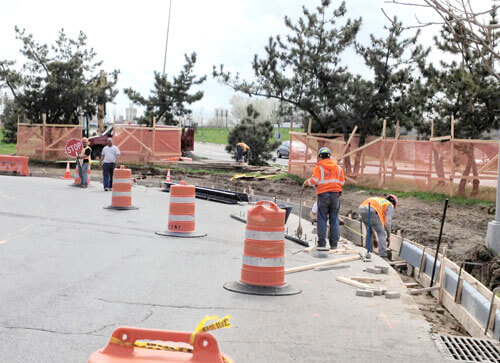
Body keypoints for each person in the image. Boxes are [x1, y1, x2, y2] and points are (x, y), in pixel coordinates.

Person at [303, 147, 345, 251]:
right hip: (335, 195)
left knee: (322, 218)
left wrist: (306, 182)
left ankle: (322, 244)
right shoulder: (338, 168)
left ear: (320, 156)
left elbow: (315, 180)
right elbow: (342, 182)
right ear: (329, 156)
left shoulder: (319, 167)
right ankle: (334, 244)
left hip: (323, 195)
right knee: (334, 219)